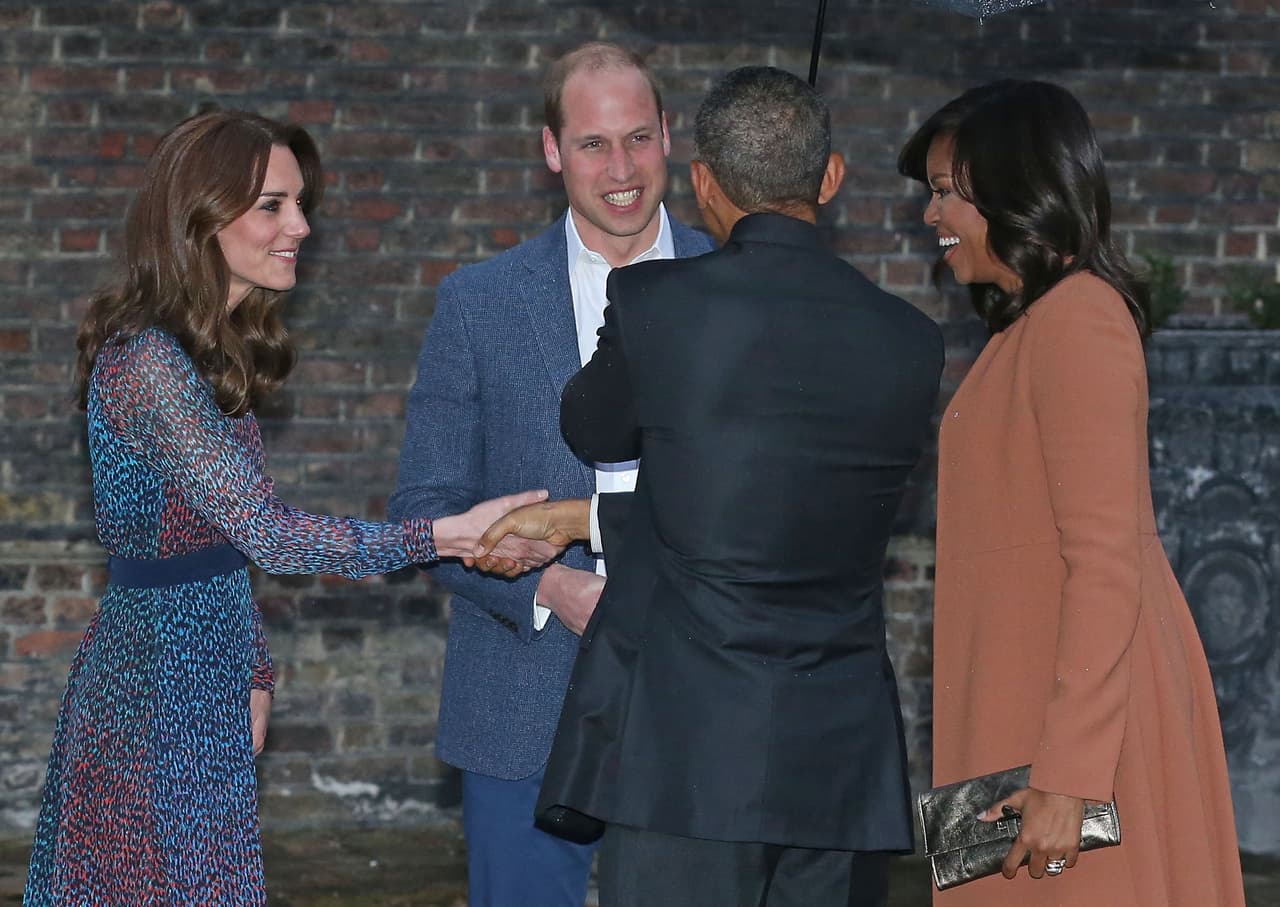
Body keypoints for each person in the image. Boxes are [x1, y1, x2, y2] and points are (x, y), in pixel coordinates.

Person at [23, 109, 552, 907]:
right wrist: (443, 534)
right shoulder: (149, 365)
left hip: (202, 669)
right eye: (273, 204)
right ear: (199, 217)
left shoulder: (209, 356)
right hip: (155, 690)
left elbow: (222, 542)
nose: (300, 225)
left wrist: (255, 667)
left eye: (299, 202)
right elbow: (268, 533)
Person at [483, 65, 946, 907]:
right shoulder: (911, 341)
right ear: (832, 177)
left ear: (702, 183)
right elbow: (782, 508)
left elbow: (592, 428)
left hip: (685, 756)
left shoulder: (659, 304)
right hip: (841, 763)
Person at [897, 79, 1247, 905]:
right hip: (1032, 709)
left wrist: (1070, 773)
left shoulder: (1079, 319)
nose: (931, 216)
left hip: (1075, 737)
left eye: (946, 192)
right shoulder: (1032, 326)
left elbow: (1104, 562)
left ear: (1015, 187)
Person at [386, 42, 714, 907]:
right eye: (594, 144)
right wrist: (553, 590)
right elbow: (425, 506)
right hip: (521, 697)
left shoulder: (734, 285)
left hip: (706, 694)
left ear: (669, 138)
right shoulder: (480, 302)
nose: (621, 169)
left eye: (638, 139)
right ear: (550, 150)